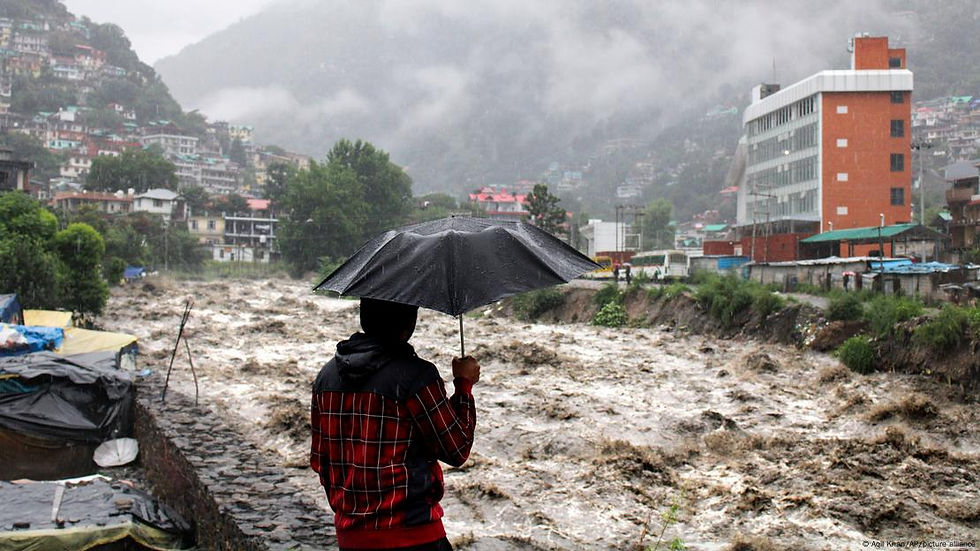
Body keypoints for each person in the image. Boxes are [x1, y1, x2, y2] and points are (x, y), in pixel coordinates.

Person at [311, 298, 480, 550]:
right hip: (413, 536)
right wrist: (464, 386)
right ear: (408, 324)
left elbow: (320, 461)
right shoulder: (416, 377)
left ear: (364, 317)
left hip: (352, 538)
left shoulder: (326, 378)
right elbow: (457, 449)